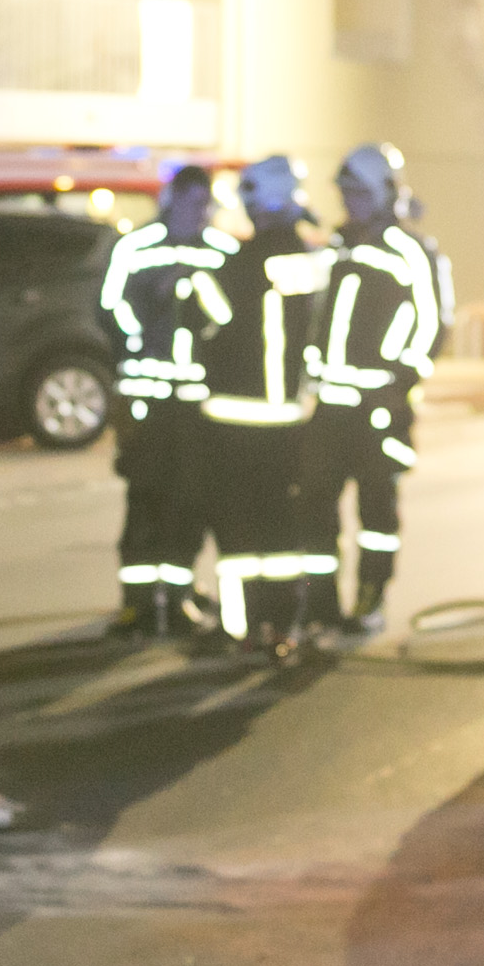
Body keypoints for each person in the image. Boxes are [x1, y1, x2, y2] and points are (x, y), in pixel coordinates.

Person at [298, 143, 450, 635]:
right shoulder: (335, 247)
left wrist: (399, 382)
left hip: (378, 407)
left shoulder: (411, 251)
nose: (351, 202)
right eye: (346, 193)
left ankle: (370, 597)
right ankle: (319, 602)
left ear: (383, 193)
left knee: (377, 511)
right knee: (315, 506)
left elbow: (434, 323)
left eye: (359, 193)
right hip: (329, 404)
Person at [191, 154, 335, 650]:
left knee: (237, 531)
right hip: (290, 418)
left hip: (234, 417)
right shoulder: (314, 260)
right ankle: (284, 623)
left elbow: (207, 308)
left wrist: (194, 276)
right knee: (282, 527)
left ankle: (242, 629)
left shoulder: (243, 263)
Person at [102, 166, 225, 638]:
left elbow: (231, 320)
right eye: (190, 202)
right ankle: (136, 604)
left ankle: (178, 597)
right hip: (147, 399)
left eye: (203, 204)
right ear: (172, 199)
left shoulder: (220, 252)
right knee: (144, 498)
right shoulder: (137, 248)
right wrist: (138, 340)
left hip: (196, 404)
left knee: (189, 502)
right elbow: (110, 307)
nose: (197, 212)